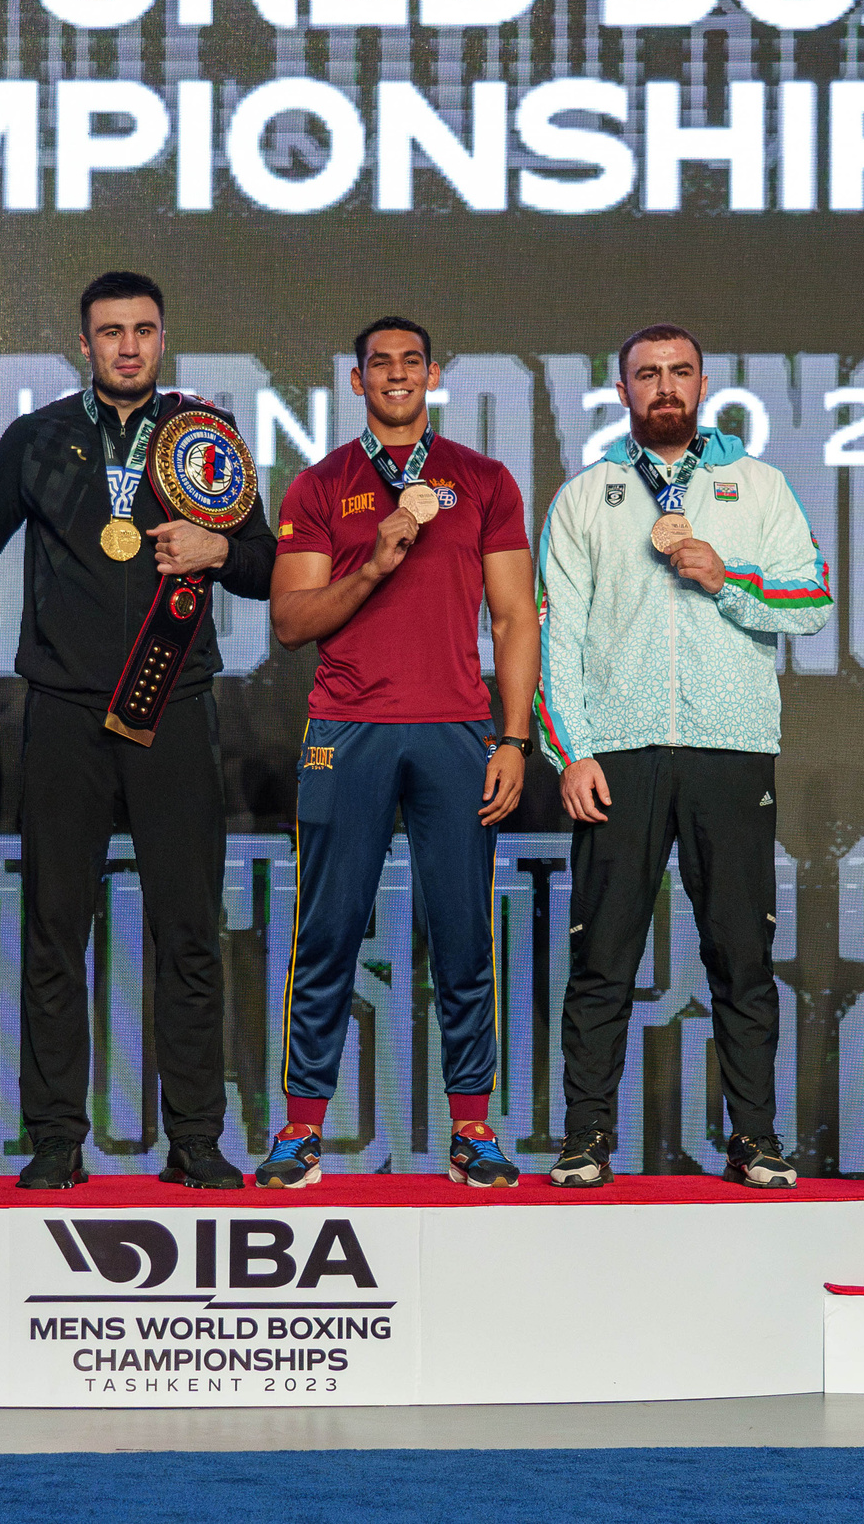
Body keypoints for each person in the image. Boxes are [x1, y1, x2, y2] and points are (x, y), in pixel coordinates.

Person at [0, 270, 277, 1191]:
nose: (129, 346)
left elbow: (265, 566)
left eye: (144, 329)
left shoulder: (203, 438)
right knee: (54, 930)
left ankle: (195, 1139)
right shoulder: (37, 438)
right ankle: (56, 1141)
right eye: (111, 331)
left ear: (163, 337)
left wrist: (217, 548)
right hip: (63, 714)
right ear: (84, 345)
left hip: (174, 710)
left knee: (189, 929)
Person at [535, 323, 832, 1192]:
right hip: (618, 755)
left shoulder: (759, 486)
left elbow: (810, 600)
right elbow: (561, 636)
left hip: (731, 750)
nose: (663, 385)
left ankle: (755, 1139)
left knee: (741, 954)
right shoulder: (588, 495)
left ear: (704, 384)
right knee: (602, 958)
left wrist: (725, 576)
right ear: (622, 391)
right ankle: (587, 1137)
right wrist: (573, 753)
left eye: (678, 372)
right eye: (645, 374)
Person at [256, 317, 537, 1189]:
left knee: (463, 934)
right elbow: (290, 622)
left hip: (456, 727)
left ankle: (474, 1129)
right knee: (328, 932)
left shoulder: (483, 480)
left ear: (434, 375)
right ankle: (302, 1128)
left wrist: (515, 737)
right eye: (380, 363)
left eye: (411, 361)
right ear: (357, 381)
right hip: (348, 727)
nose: (397, 375)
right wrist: (373, 565)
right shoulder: (319, 484)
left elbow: (514, 616)